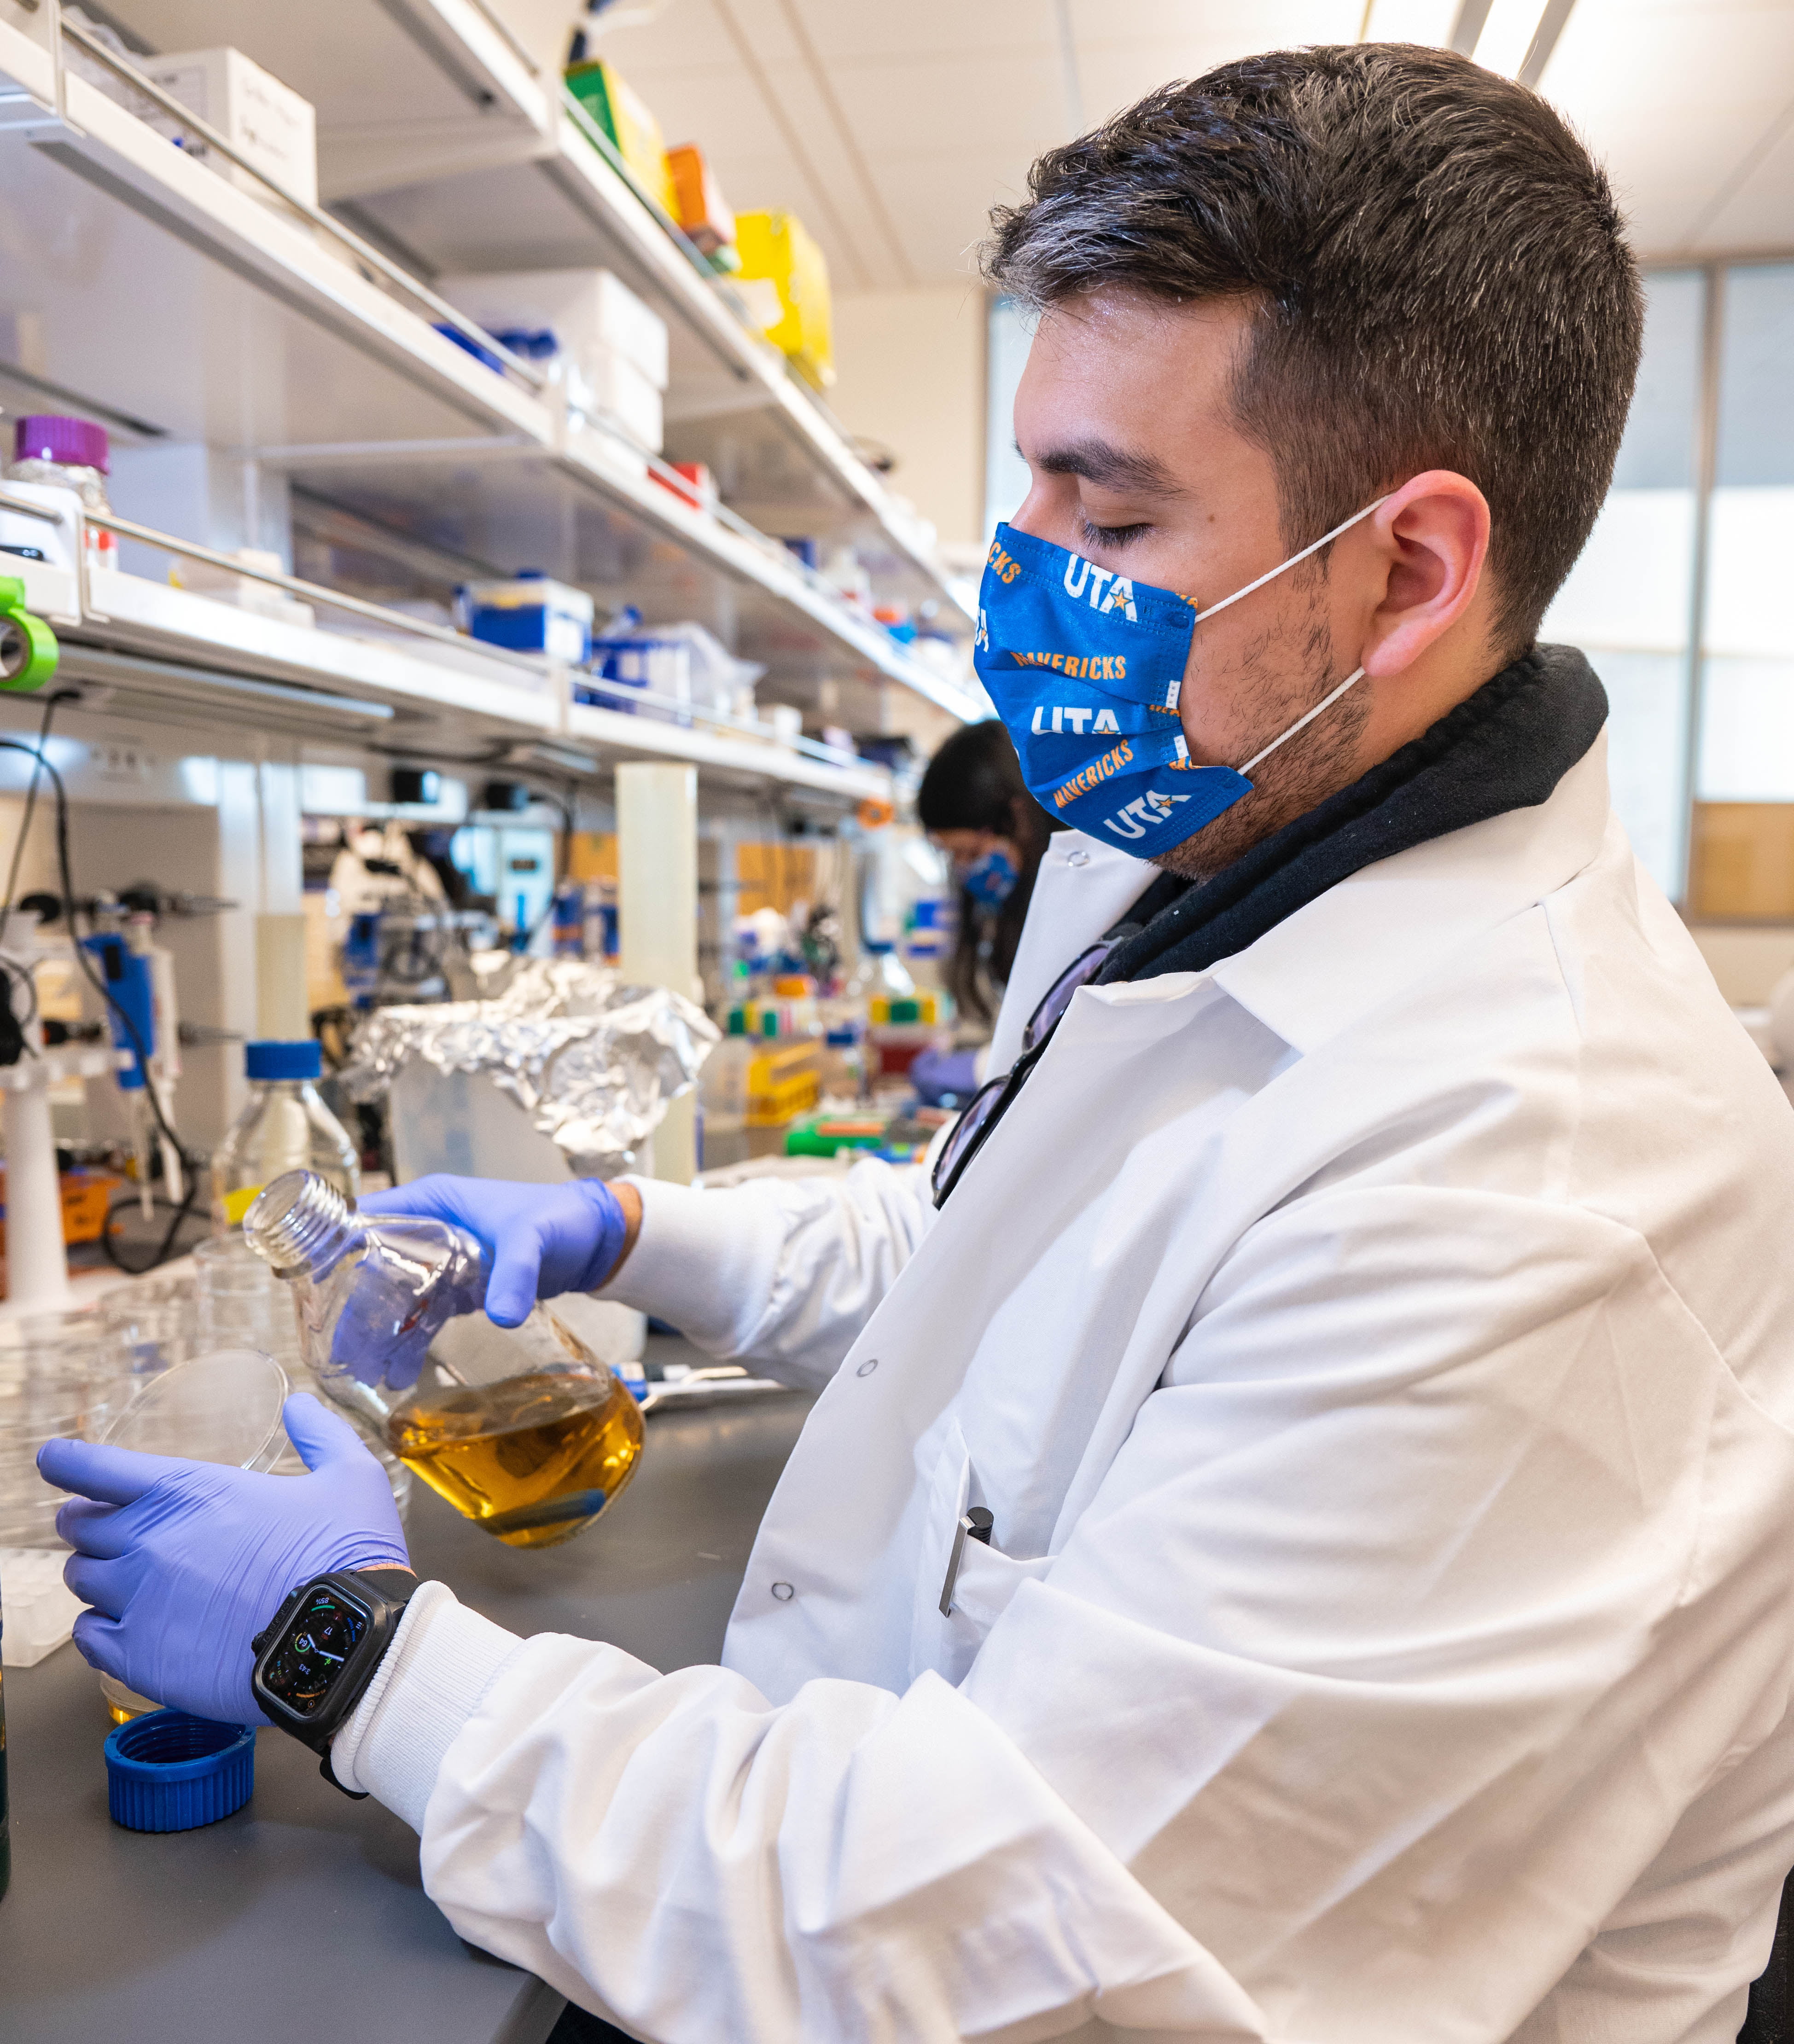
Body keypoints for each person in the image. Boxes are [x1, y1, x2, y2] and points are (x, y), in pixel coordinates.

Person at [42, 45, 1794, 2043]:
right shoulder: (1201, 826)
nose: (1018, 573)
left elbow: (1003, 1937)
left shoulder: (1542, 1190)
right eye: (1030, 475)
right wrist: (627, 1228)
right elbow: (995, 1253)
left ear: (1403, 571)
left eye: (1106, 508)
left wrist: (342, 1651)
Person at [910, 720, 1058, 1105]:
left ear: (1018, 819)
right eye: (952, 856)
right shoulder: (1005, 911)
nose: (964, 870)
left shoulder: (1076, 909)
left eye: (972, 853)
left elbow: (1069, 1050)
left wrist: (980, 1069)